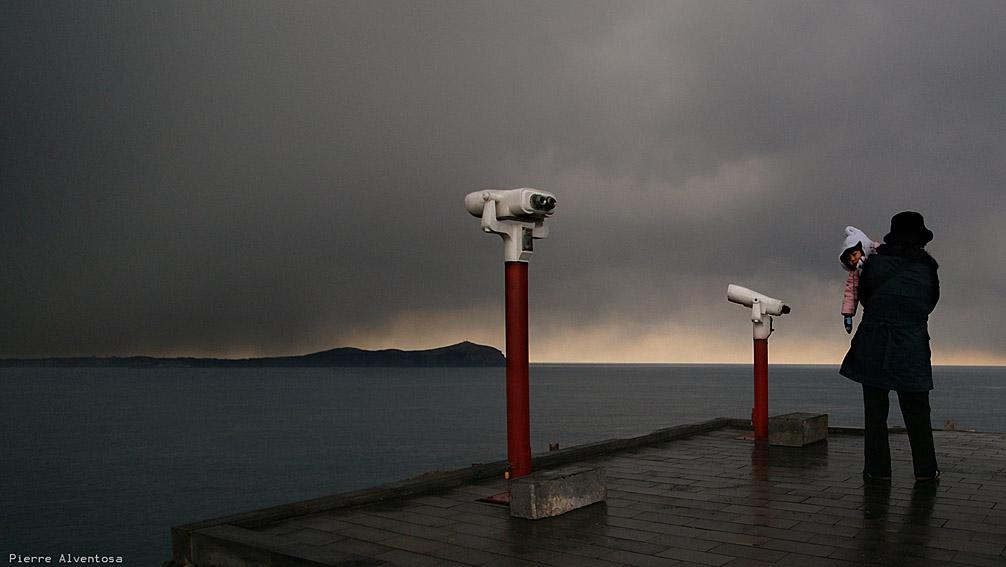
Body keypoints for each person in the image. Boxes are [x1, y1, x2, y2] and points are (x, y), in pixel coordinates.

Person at [840, 211, 940, 482]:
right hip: (912, 344)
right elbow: (931, 302)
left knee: (875, 413)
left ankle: (877, 471)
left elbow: (865, 297)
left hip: (874, 341)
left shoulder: (873, 263)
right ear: (920, 239)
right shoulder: (928, 267)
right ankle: (926, 471)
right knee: (917, 411)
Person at [839, 226, 880, 333]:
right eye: (848, 258)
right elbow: (851, 291)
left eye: (854, 254)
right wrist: (848, 313)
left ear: (863, 248)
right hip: (871, 308)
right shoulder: (856, 272)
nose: (852, 259)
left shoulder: (881, 256)